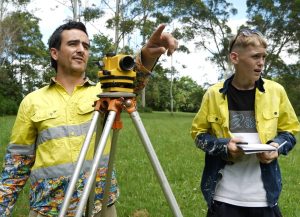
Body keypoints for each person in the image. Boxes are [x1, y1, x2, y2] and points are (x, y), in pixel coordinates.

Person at [0, 21, 178, 216]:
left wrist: (147, 56)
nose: (81, 50)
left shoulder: (105, 93)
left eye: (86, 46)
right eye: (73, 44)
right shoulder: (32, 101)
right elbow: (17, 164)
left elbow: (133, 83)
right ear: (54, 53)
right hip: (49, 208)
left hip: (100, 206)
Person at [191, 28, 300, 217]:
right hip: (223, 197)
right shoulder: (213, 94)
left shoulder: (276, 91)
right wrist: (225, 146)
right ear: (235, 58)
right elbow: (199, 135)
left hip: (264, 198)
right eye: (255, 56)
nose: (261, 63)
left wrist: (275, 147)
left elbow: (290, 131)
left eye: (264, 57)